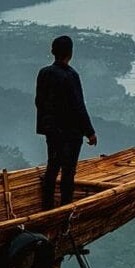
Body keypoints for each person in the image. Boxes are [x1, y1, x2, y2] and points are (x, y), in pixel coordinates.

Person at [35, 34, 98, 208]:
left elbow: (39, 101)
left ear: (53, 52)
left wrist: (47, 124)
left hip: (52, 131)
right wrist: (90, 132)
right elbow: (78, 107)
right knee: (68, 172)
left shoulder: (44, 73)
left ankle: (47, 206)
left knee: (53, 167)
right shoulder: (70, 76)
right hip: (70, 133)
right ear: (70, 53)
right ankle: (65, 207)